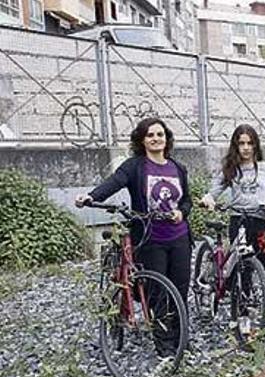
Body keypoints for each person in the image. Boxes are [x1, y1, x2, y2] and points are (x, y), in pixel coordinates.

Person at [75, 117, 192, 358]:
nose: (156, 139)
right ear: (142, 140)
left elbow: (187, 200)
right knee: (158, 291)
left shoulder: (177, 167)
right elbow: (114, 182)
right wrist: (91, 196)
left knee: (180, 290)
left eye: (160, 134)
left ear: (166, 139)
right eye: (150, 135)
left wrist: (182, 211)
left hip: (179, 238)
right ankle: (164, 345)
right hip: (151, 240)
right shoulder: (135, 166)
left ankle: (181, 339)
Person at [200, 123, 265, 329]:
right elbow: (214, 190)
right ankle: (243, 313)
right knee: (243, 267)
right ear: (236, 146)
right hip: (238, 220)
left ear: (256, 145)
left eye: (250, 143)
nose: (246, 147)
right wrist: (208, 199)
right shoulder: (230, 169)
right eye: (241, 143)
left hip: (261, 220)